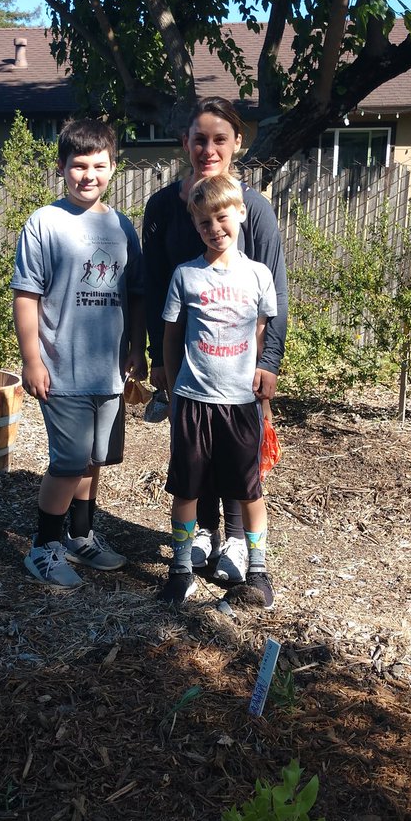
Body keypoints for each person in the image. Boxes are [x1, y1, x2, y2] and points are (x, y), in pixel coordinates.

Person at [143, 97, 288, 586]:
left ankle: (235, 539)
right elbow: (154, 285)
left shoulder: (255, 210)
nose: (209, 149)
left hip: (238, 367)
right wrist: (156, 359)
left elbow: (274, 297)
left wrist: (269, 361)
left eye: (220, 139)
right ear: (185, 142)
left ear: (237, 143)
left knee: (238, 460)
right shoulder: (163, 207)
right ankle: (202, 533)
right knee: (194, 457)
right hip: (190, 367)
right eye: (199, 139)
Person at [11, 119, 147, 588]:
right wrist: (32, 359)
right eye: (79, 165)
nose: (89, 175)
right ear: (62, 167)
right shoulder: (44, 223)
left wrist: (137, 347)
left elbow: (136, 294)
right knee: (68, 462)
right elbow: (26, 296)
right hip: (61, 369)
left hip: (108, 372)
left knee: (94, 460)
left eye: (99, 165)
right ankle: (43, 548)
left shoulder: (121, 226)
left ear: (113, 167)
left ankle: (80, 536)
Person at [160, 173, 277, 608]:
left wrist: (264, 400)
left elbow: (262, 337)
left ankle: (258, 572)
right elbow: (172, 338)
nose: (215, 228)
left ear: (241, 213)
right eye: (205, 222)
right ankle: (180, 570)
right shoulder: (185, 276)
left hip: (241, 404)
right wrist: (175, 391)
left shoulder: (259, 275)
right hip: (194, 402)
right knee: (186, 489)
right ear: (195, 225)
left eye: (222, 217)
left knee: (249, 489)